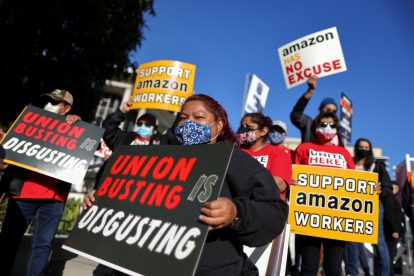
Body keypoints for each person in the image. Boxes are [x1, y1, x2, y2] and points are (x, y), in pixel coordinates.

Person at [83, 94, 289, 275]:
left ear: (218, 126)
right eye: (183, 118)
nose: (188, 123)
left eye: (199, 118)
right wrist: (105, 200)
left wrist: (236, 213)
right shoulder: (159, 159)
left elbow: (274, 212)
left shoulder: (234, 160)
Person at [0, 89, 81, 275]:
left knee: (43, 246)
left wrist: (78, 122)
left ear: (67, 108)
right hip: (22, 193)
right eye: (48, 101)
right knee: (8, 241)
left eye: (55, 102)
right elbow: (10, 157)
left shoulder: (76, 127)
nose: (49, 105)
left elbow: (84, 145)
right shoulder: (29, 123)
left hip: (54, 199)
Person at [294, 111, 355, 275]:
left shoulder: (344, 154)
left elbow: (355, 184)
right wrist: (292, 181)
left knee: (334, 268)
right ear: (315, 127)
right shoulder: (303, 149)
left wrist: (371, 189)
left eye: (332, 125)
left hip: (337, 217)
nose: (328, 128)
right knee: (309, 266)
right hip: (309, 215)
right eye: (323, 124)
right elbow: (293, 175)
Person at [352, 138, 393, 276]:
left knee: (378, 240)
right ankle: (354, 272)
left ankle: (384, 273)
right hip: (352, 205)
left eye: (366, 147)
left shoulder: (378, 166)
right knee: (352, 240)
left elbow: (388, 187)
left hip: (373, 205)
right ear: (356, 148)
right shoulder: (350, 163)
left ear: (370, 149)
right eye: (361, 147)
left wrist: (380, 191)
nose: (363, 149)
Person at [237, 113, 292, 196]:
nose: (244, 130)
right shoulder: (235, 152)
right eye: (242, 127)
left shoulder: (278, 153)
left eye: (249, 127)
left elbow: (278, 184)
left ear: (263, 131)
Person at [290, 75, 344, 146]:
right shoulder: (308, 124)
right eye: (328, 109)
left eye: (334, 111)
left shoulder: (337, 130)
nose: (330, 112)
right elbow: (296, 115)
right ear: (319, 110)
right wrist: (310, 90)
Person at [383, 181, 405, 276]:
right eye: (393, 187)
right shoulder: (390, 198)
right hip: (392, 232)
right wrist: (395, 230)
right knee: (389, 256)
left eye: (396, 188)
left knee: (390, 256)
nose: (395, 189)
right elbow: (390, 215)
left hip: (393, 231)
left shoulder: (392, 199)